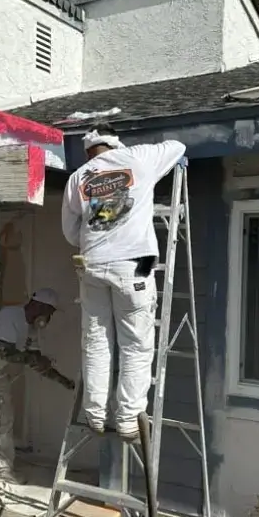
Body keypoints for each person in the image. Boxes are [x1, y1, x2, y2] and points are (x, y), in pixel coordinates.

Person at [61, 121, 186, 441]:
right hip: (133, 268)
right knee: (135, 344)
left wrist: (95, 240)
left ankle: (95, 414)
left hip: (92, 266)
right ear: (114, 143)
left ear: (88, 151)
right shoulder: (140, 158)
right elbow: (178, 146)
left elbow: (70, 230)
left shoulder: (79, 177)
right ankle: (129, 419)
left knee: (97, 341)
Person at [0, 288, 59, 485]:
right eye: (50, 311)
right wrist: (33, 358)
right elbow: (5, 352)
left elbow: (34, 358)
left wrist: (63, 380)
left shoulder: (32, 328)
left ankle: (0, 467)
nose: (49, 317)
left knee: (5, 419)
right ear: (38, 305)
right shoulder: (10, 316)